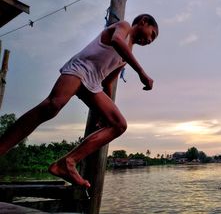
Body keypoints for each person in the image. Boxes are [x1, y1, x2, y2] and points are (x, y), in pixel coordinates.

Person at [0, 14, 159, 188]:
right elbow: (116, 41)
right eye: (152, 34)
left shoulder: (126, 56)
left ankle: (66, 163)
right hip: (81, 68)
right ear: (143, 21)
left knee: (118, 124)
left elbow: (107, 82)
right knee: (53, 105)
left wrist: (103, 111)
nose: (151, 40)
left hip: (93, 84)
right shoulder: (124, 26)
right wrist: (141, 73)